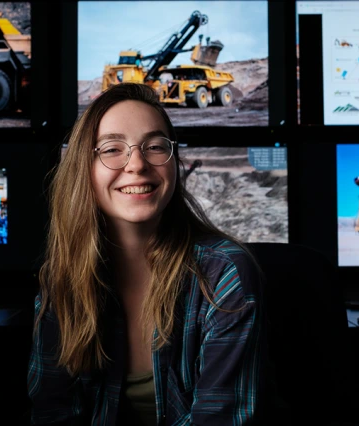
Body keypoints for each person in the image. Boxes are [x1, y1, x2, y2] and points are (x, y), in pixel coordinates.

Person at [27, 82, 270, 425]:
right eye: (112, 149)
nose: (137, 164)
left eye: (155, 146)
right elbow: (52, 413)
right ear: (85, 168)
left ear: (174, 163)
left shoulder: (225, 275)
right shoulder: (62, 278)